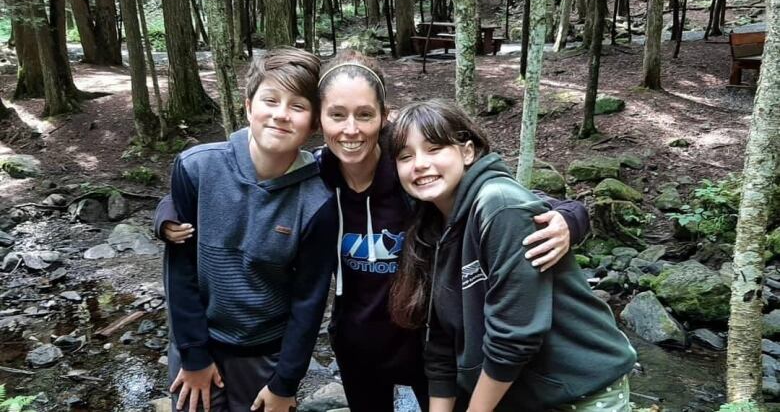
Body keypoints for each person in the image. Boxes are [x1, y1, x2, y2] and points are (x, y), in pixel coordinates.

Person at [157, 50, 591, 412]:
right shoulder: (319, 178)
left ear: (385, 117)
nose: (350, 130)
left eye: (364, 115)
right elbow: (237, 187)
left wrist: (571, 218)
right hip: (356, 348)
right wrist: (168, 210)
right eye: (337, 115)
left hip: (426, 352)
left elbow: (505, 198)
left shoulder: (412, 176)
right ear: (320, 123)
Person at [388, 100, 637, 412]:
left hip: (579, 393)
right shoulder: (432, 227)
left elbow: (515, 336)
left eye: (434, 148)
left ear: (467, 152)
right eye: (405, 156)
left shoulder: (499, 206)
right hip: (521, 394)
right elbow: (440, 343)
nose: (420, 164)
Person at [163, 47, 338, 412]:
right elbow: (180, 270)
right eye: (270, 100)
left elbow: (309, 302)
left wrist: (285, 383)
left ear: (314, 124)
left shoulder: (319, 200)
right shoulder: (196, 168)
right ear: (248, 106)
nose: (280, 115)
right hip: (198, 343)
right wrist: (193, 356)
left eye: (298, 106)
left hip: (265, 354)